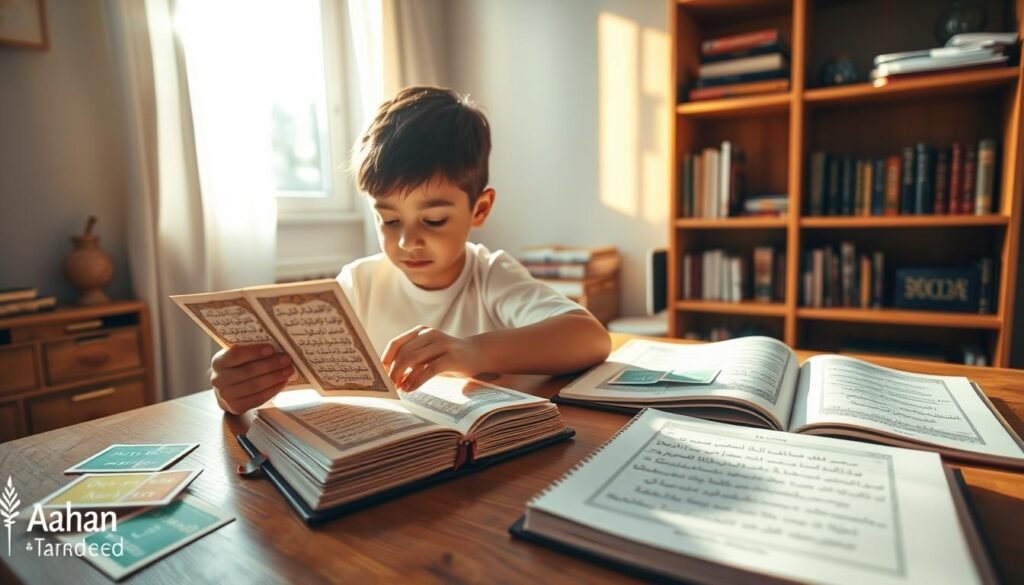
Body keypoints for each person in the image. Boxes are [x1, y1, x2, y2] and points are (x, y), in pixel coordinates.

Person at [211, 86, 611, 414]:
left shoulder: (489, 275)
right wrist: (235, 390)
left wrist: (470, 351)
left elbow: (590, 338)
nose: (407, 242)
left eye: (433, 220)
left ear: (480, 209)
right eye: (389, 219)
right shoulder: (358, 283)